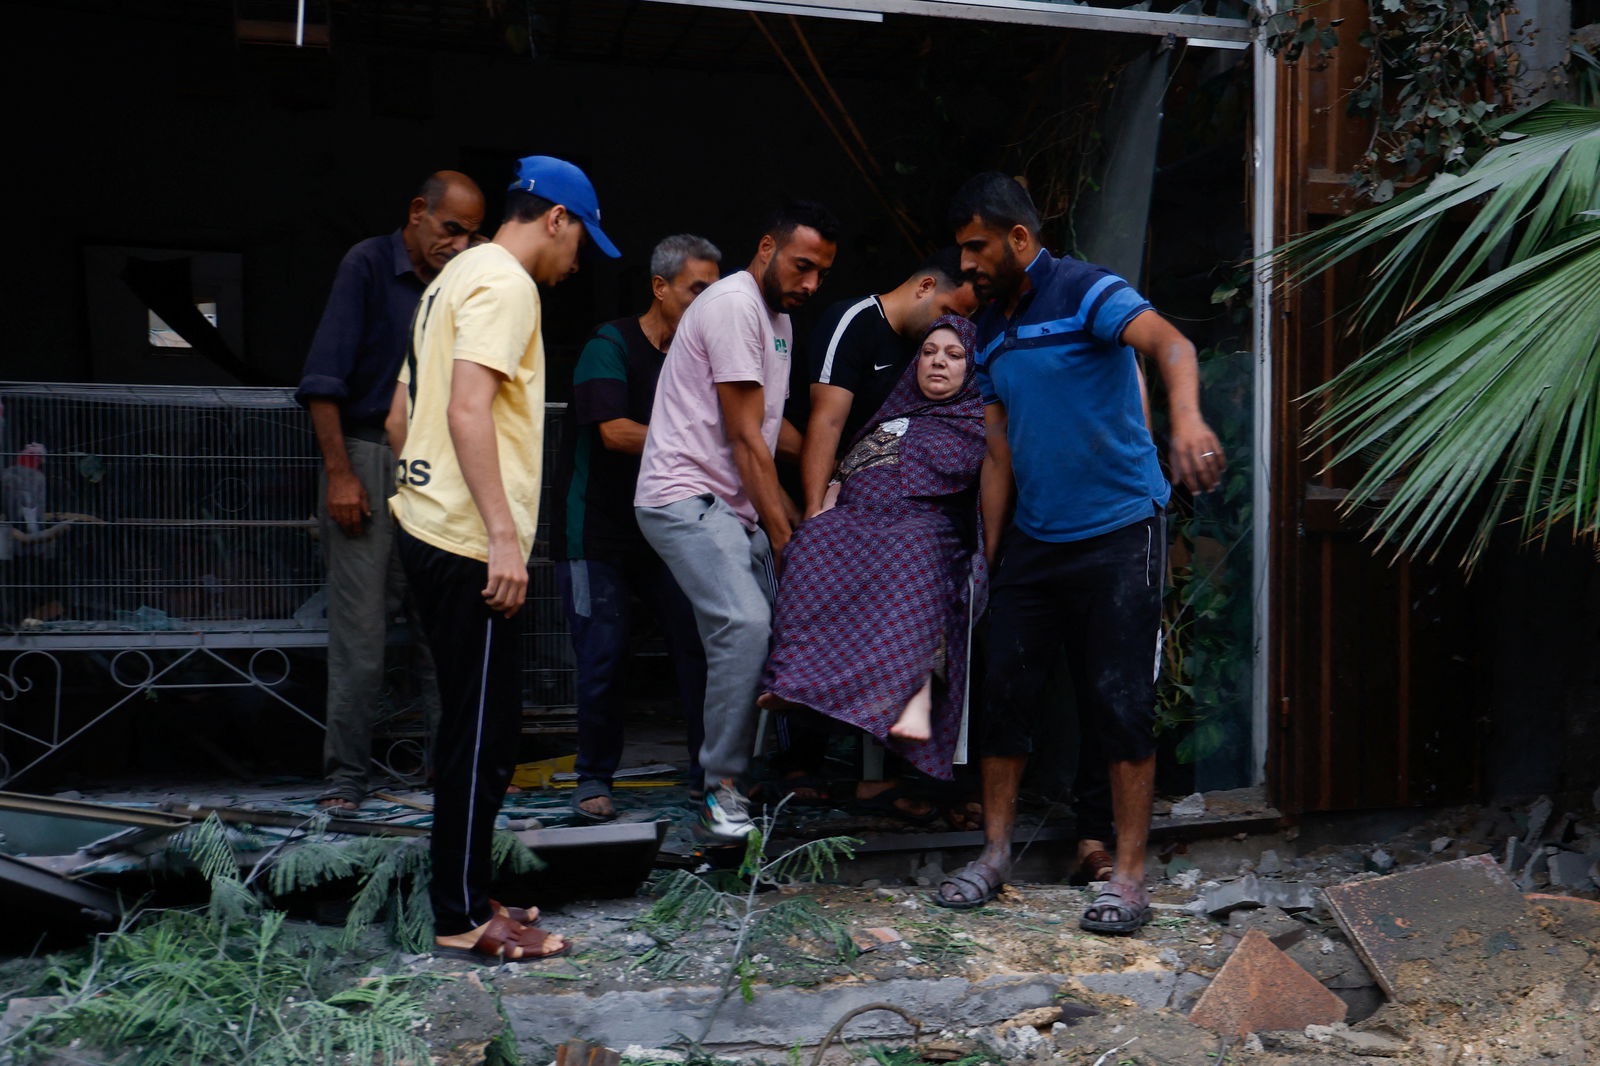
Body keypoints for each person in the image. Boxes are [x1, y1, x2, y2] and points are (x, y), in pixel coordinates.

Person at [933, 172, 1225, 935]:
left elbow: (1172, 343)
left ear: (1020, 240)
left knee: (1120, 703)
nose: (966, 263)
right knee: (1005, 697)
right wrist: (994, 557)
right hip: (1036, 536)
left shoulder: (1087, 292)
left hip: (1121, 527)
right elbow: (998, 450)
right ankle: (994, 854)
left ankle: (1128, 878)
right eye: (960, 249)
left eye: (977, 247)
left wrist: (1186, 422)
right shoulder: (990, 326)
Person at [386, 155, 620, 962]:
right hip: (466, 543)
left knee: (480, 727)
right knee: (482, 738)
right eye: (582, 237)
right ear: (555, 216)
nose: (579, 259)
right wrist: (503, 538)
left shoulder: (452, 277)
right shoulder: (508, 284)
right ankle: (456, 918)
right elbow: (466, 406)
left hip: (430, 524)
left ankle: (463, 890)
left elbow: (400, 410)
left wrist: (427, 487)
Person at [634, 200, 840, 841]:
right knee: (748, 623)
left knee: (789, 628)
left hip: (732, 506)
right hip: (683, 497)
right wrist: (786, 536)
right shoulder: (731, 306)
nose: (809, 284)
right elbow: (746, 438)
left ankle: (760, 770)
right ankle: (721, 785)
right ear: (766, 247)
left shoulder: (777, 318)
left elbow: (772, 433)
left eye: (820, 274)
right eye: (802, 266)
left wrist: (833, 473)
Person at [296, 171, 483, 811]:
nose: (457, 244)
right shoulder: (369, 265)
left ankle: (449, 770)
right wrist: (341, 472)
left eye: (470, 234)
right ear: (417, 213)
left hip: (436, 465)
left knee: (443, 626)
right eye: (449, 229)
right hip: (369, 456)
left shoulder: (459, 283)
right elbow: (323, 381)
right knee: (361, 636)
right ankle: (346, 779)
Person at [760, 315, 986, 783]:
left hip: (923, 525)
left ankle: (886, 717)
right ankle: (797, 684)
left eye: (953, 355)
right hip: (856, 521)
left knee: (911, 552)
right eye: (928, 352)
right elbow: (843, 476)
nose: (938, 362)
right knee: (812, 541)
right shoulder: (890, 416)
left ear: (972, 367)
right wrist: (823, 508)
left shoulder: (978, 419)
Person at [553, 234, 722, 822]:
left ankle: (712, 778)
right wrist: (703, 442)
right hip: (595, 533)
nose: (706, 304)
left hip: (667, 527)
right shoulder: (610, 343)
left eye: (713, 292)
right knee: (603, 655)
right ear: (659, 287)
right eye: (695, 290)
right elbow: (615, 432)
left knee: (699, 647)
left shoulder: (699, 355)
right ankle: (594, 777)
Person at [800, 248, 978, 517]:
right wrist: (814, 509)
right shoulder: (856, 320)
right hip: (817, 481)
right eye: (948, 311)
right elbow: (828, 422)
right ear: (926, 286)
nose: (950, 324)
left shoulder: (928, 346)